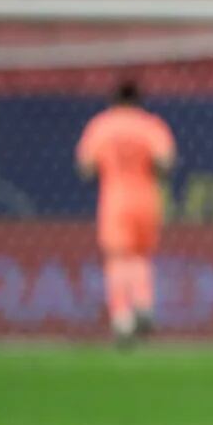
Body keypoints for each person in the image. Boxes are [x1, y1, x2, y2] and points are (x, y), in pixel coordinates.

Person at [76, 81, 175, 347]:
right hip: (146, 197)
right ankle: (143, 303)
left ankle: (122, 317)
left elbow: (85, 167)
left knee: (117, 257)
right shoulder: (150, 125)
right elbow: (165, 163)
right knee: (141, 256)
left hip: (115, 198)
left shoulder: (102, 125)